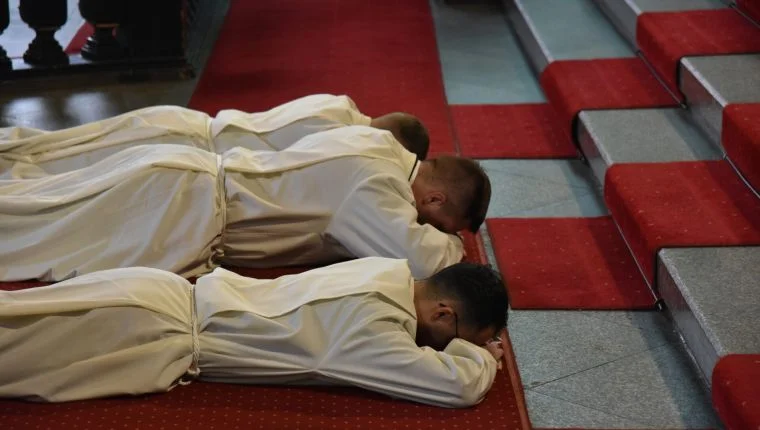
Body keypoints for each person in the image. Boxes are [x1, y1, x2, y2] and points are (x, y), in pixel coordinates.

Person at [0, 125, 490, 282]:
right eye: (440, 221)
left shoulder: (376, 140)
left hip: (183, 177)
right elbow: (423, 263)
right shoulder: (378, 189)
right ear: (434, 196)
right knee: (33, 237)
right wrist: (451, 245)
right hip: (178, 209)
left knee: (39, 209)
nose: (432, 227)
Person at [0, 257, 509, 407]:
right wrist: (481, 356)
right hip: (144, 330)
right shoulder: (373, 330)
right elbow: (456, 387)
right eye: (460, 337)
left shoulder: (385, 271)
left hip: (156, 293)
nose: (450, 346)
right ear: (443, 315)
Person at [0, 94, 429, 179]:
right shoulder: (344, 137)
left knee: (67, 146)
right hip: (187, 144)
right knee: (64, 167)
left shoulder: (338, 103)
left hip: (186, 124)